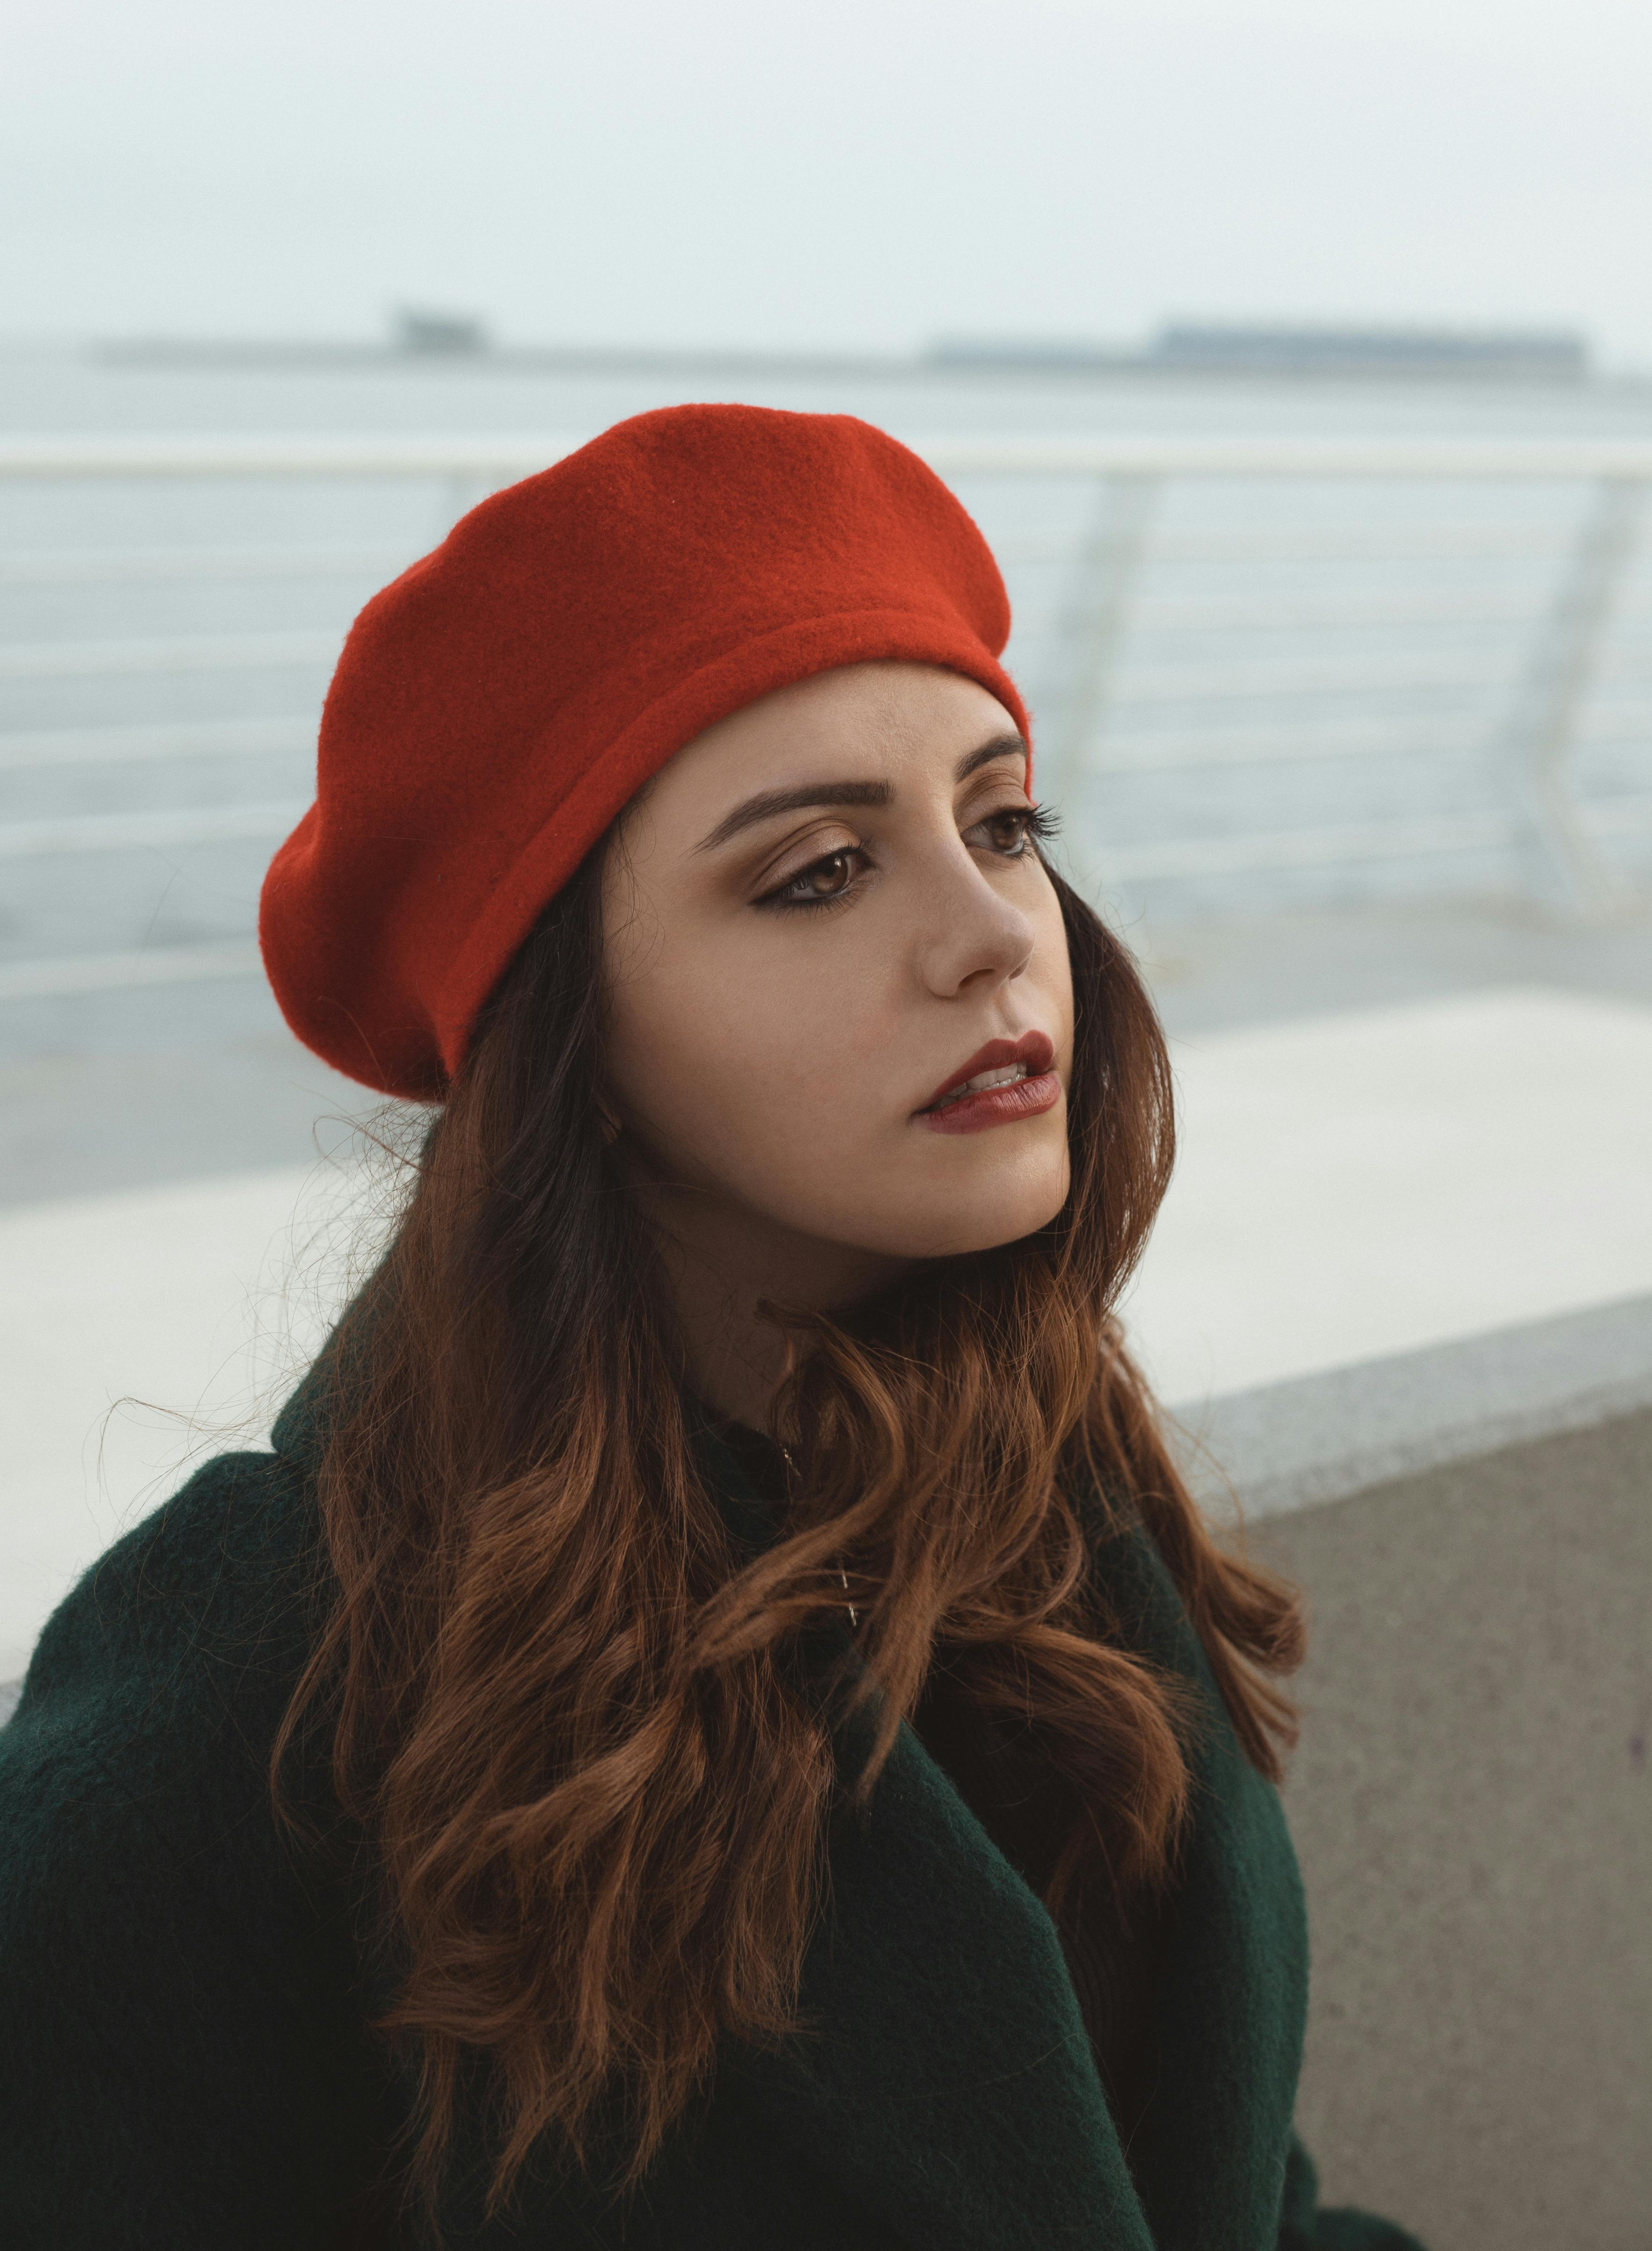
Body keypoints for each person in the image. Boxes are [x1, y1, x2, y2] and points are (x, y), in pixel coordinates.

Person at [0, 405, 1424, 2249]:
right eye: (814, 870)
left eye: (1001, 819)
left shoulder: (1045, 1495)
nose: (993, 930)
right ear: (571, 1046)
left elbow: (1215, 2186)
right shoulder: (271, 1653)